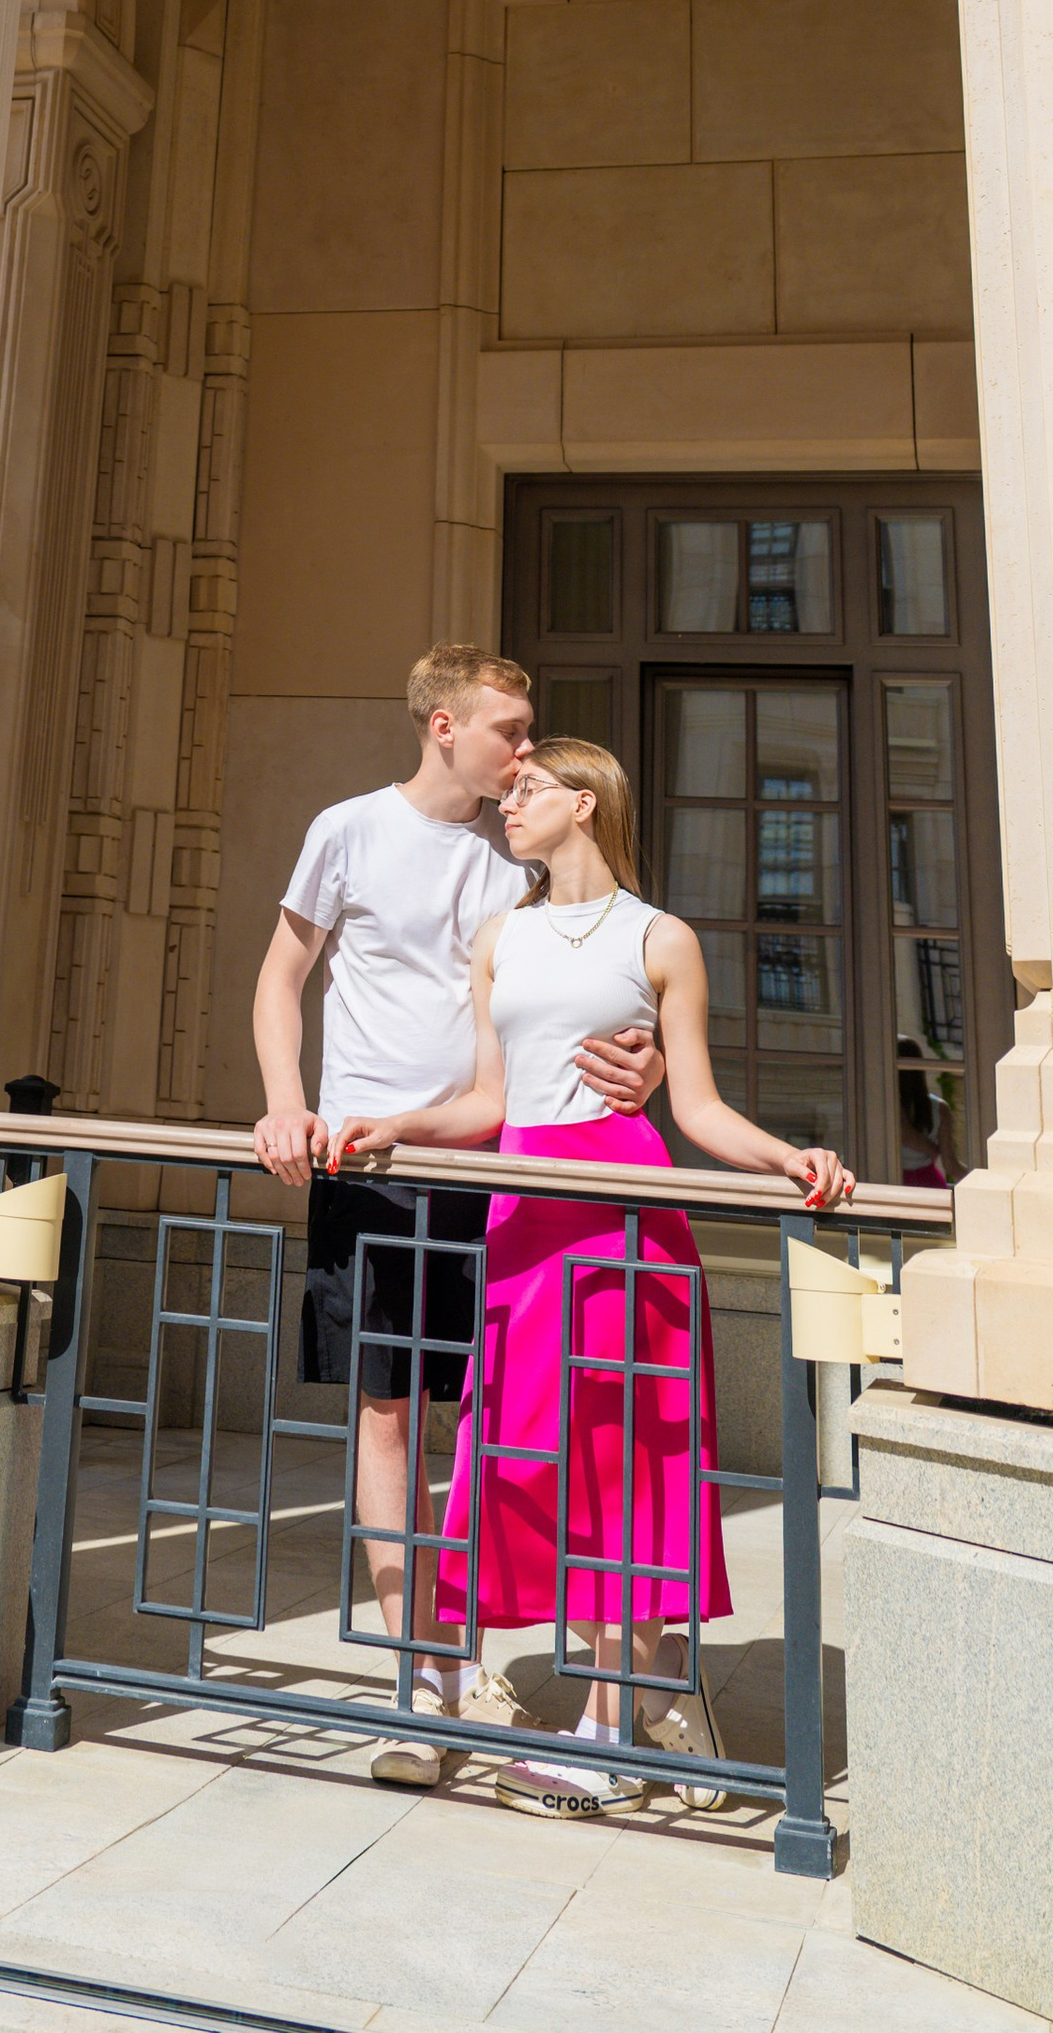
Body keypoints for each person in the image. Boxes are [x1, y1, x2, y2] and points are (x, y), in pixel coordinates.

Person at [331, 736, 854, 1818]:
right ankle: (653, 1687)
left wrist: (792, 1157)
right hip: (522, 1219)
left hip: (625, 1219)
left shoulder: (661, 939)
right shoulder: (501, 938)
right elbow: (489, 1099)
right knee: (511, 1452)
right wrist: (399, 1127)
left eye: (525, 792)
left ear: (583, 803)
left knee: (621, 1458)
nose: (506, 806)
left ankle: (610, 1731)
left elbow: (695, 1110)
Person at [252, 650, 662, 1787]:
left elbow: (592, 977)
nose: (524, 752)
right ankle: (417, 1671)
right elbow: (282, 976)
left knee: (507, 1430)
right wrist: (287, 1106)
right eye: (510, 730)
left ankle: (609, 1684)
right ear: (446, 725)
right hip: (364, 1168)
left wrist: (649, 1055)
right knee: (389, 1421)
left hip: (498, 1170)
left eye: (531, 738)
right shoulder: (348, 830)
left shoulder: (515, 856)